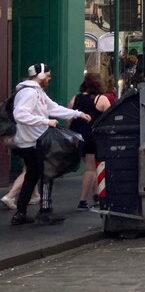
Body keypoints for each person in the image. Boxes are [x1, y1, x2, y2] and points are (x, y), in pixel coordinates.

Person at [9, 63, 92, 225]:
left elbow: (52, 107)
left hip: (30, 141)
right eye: (47, 76)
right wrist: (46, 121)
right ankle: (45, 210)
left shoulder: (35, 92)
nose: (49, 79)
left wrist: (77, 113)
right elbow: (20, 114)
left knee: (32, 175)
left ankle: (20, 213)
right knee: (48, 173)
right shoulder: (30, 93)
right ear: (39, 76)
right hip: (35, 141)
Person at [68, 73, 112, 211]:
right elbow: (110, 118)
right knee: (91, 169)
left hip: (77, 136)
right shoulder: (102, 99)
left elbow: (69, 118)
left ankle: (97, 194)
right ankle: (82, 200)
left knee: (88, 167)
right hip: (93, 137)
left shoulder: (75, 98)